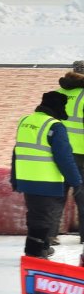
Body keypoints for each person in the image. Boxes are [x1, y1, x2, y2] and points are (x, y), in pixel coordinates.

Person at [11, 90, 82, 259]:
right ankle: (35, 253)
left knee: (35, 213)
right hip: (45, 179)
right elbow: (64, 157)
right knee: (43, 217)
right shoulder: (55, 126)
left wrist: (14, 178)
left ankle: (41, 247)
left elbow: (16, 152)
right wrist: (75, 181)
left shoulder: (25, 121)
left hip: (26, 178)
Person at [57, 61, 84, 241]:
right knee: (82, 194)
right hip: (81, 153)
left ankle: (50, 236)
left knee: (56, 195)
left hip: (60, 151)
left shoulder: (58, 93)